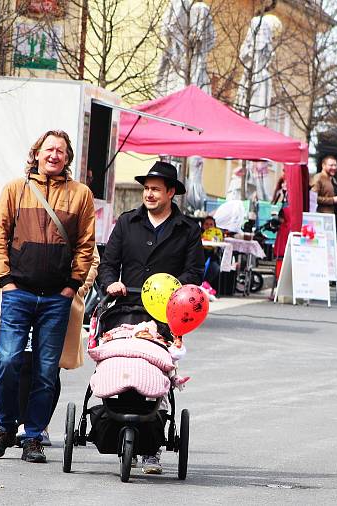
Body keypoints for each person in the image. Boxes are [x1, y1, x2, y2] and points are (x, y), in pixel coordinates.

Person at [0, 130, 96, 463]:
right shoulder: (15, 190)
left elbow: (86, 245)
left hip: (55, 299)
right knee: (8, 362)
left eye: (61, 151)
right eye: (49, 149)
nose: (54, 155)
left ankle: (33, 436)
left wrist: (71, 286)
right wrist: (5, 280)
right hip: (18, 293)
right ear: (37, 153)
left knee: (47, 372)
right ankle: (5, 428)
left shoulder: (81, 195)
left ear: (68, 157)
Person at [98, 160, 205, 474]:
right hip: (122, 307)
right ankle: (110, 418)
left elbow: (195, 272)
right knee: (120, 363)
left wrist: (174, 292)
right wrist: (109, 283)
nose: (149, 194)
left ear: (171, 192)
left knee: (154, 372)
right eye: (146, 189)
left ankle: (151, 447)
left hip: (163, 314)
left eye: (156, 189)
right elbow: (108, 263)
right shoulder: (127, 223)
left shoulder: (187, 230)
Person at [0, 248, 100, 445]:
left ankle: (38, 428)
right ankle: (18, 425)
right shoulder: (21, 216)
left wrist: (77, 288)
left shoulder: (73, 215)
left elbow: (91, 257)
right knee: (16, 363)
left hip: (58, 302)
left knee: (48, 369)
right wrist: (5, 281)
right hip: (20, 297)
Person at [311, 155, 337, 233]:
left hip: (335, 219)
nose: (334, 167)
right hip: (324, 219)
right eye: (331, 165)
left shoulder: (333, 180)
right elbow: (313, 198)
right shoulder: (318, 178)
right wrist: (332, 200)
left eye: (335, 165)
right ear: (323, 165)